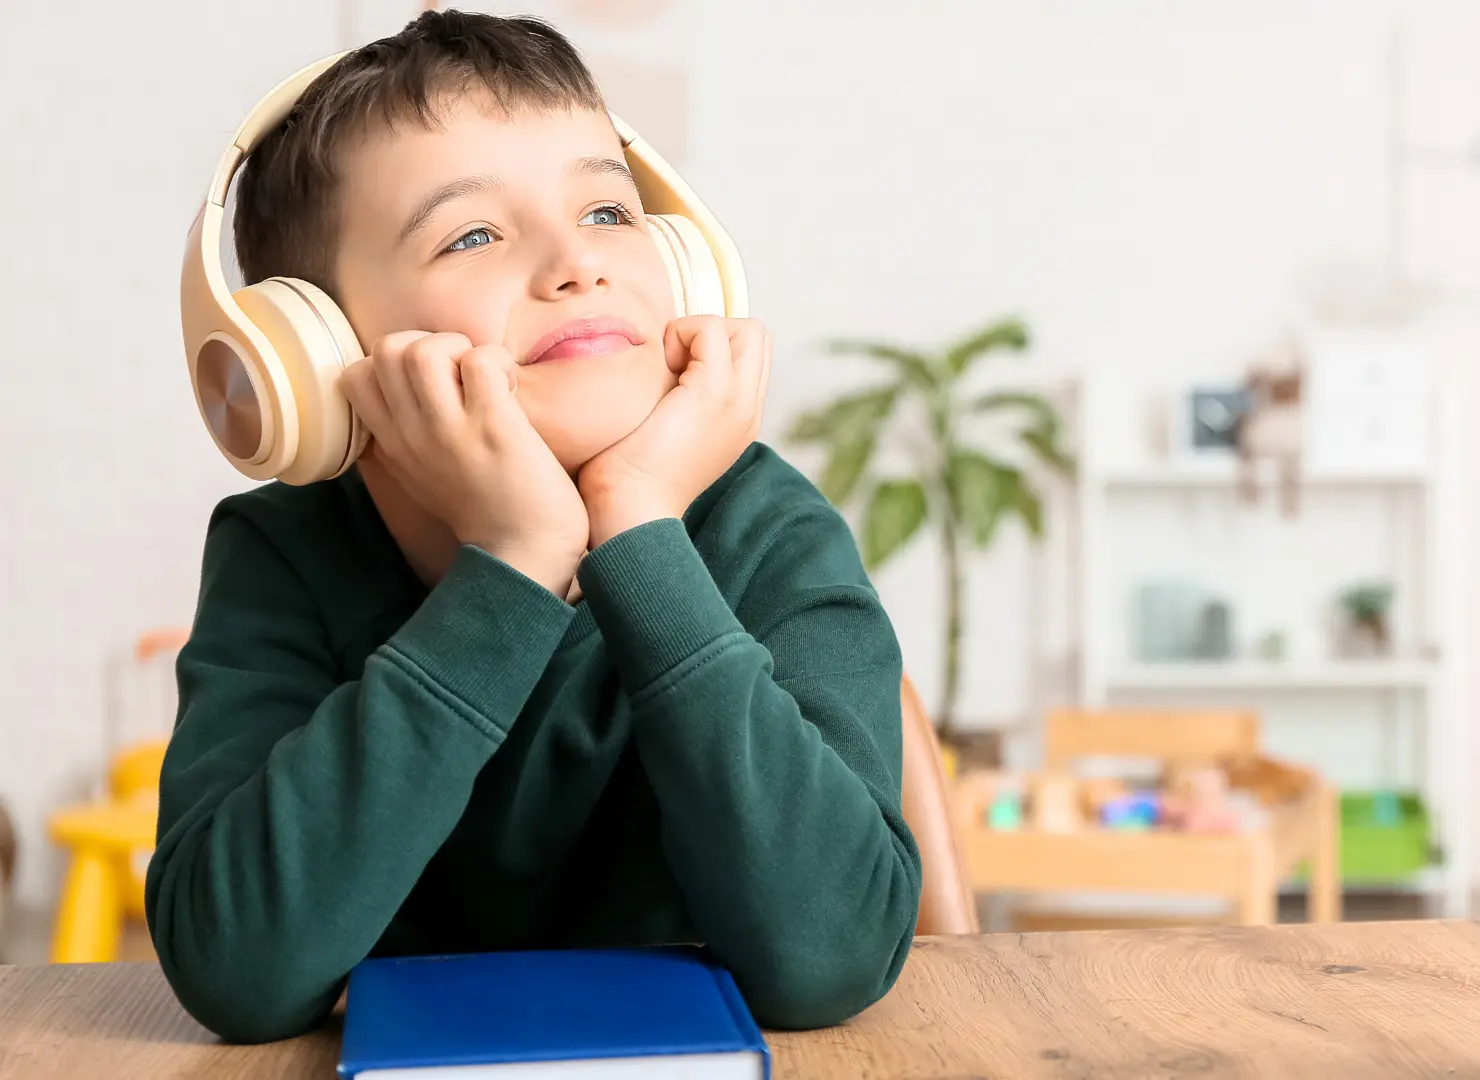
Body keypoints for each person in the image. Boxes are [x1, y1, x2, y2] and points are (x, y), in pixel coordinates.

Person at [148, 8, 920, 1044]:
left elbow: (831, 960)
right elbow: (236, 970)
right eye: (473, 233)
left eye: (609, 210)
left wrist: (640, 529)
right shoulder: (285, 553)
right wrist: (511, 565)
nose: (577, 264)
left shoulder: (765, 527)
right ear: (318, 358)